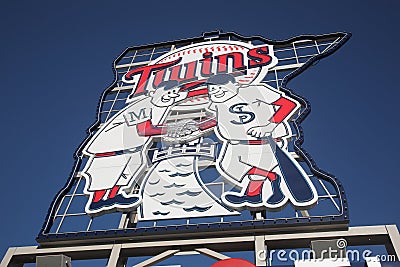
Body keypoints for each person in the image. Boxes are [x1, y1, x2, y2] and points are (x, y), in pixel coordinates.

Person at [82, 80, 204, 214]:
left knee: (126, 175)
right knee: (107, 176)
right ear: (156, 93)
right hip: (111, 149)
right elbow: (144, 130)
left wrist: (210, 83)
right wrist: (173, 128)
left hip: (133, 148)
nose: (171, 95)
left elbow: (189, 93)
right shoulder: (144, 105)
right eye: (168, 92)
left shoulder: (162, 104)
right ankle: (97, 201)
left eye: (175, 93)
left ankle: (112, 197)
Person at [200, 73, 318, 210]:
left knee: (246, 166)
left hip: (263, 142)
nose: (217, 92)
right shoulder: (217, 105)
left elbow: (288, 104)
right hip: (237, 144)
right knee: (232, 167)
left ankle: (269, 184)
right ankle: (259, 191)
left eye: (220, 88)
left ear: (234, 85)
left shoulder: (254, 91)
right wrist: (196, 127)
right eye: (212, 90)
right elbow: (217, 121)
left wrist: (269, 125)